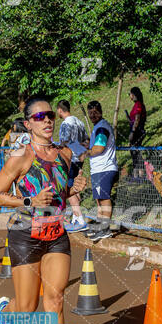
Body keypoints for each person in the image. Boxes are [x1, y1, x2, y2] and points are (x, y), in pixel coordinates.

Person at [0, 95, 87, 324]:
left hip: (56, 232)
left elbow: (59, 189)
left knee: (55, 299)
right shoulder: (20, 156)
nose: (47, 120)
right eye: (40, 116)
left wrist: (74, 189)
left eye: (50, 116)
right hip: (24, 234)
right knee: (27, 309)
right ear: (28, 123)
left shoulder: (65, 154)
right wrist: (29, 201)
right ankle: (7, 311)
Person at [79, 100, 118, 242]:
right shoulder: (98, 127)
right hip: (99, 170)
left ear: (101, 111)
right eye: (90, 113)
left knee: (104, 199)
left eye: (95, 112)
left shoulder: (102, 127)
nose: (92, 115)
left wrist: (86, 153)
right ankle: (101, 227)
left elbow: (99, 148)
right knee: (100, 200)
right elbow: (96, 144)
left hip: (104, 169)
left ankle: (105, 229)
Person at [57, 99, 89, 232]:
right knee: (74, 188)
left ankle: (80, 219)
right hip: (79, 159)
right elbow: (86, 140)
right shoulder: (79, 122)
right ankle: (76, 218)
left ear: (60, 110)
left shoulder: (66, 124)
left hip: (69, 159)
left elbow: (64, 142)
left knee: (68, 189)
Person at [127, 87, 146, 179]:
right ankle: (137, 174)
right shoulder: (136, 105)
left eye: (129, 94)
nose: (129, 96)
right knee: (134, 152)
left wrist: (133, 132)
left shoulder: (138, 104)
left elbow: (137, 119)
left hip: (137, 131)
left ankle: (139, 175)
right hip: (136, 130)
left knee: (135, 152)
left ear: (133, 94)